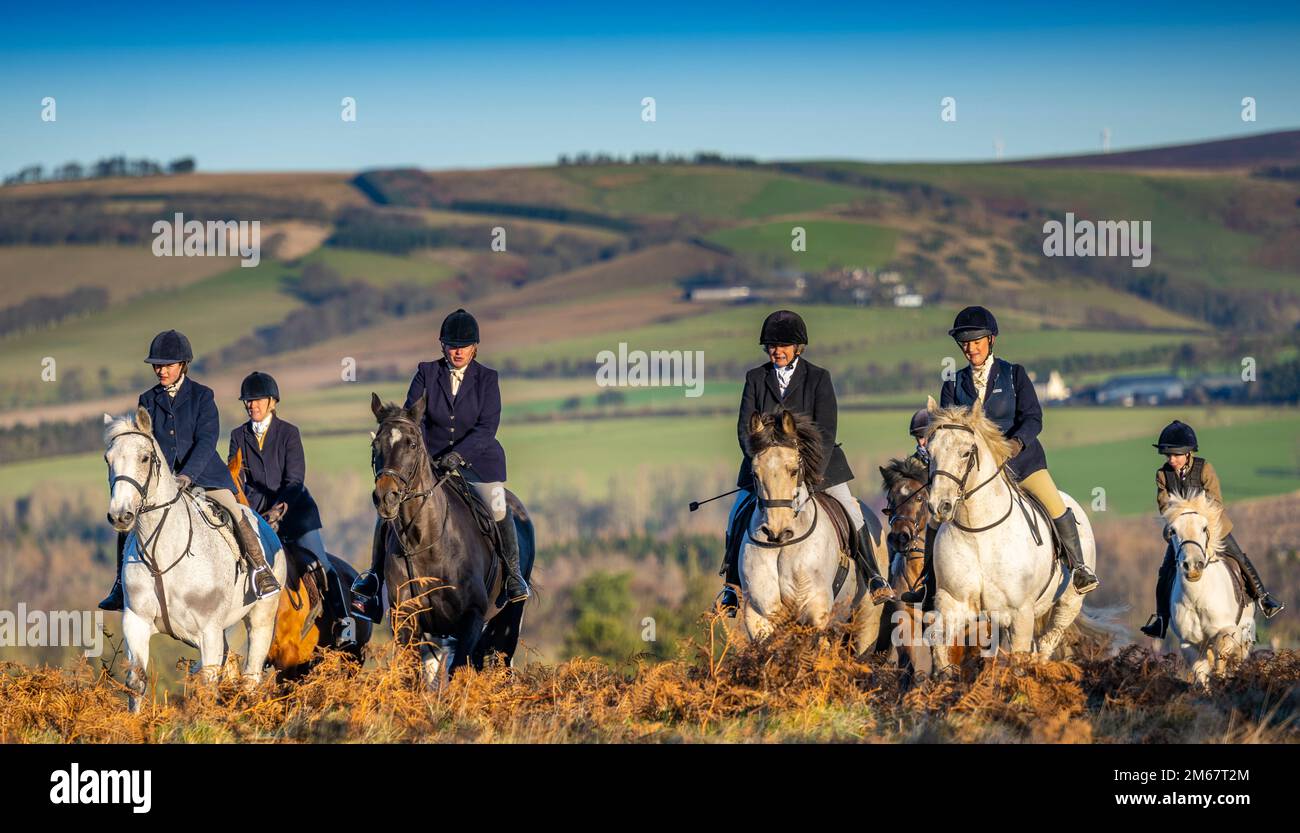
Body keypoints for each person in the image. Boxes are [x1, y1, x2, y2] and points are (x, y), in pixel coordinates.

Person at [901, 305, 1097, 604]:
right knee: (934, 520)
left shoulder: (1014, 375)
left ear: (990, 340)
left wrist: (1016, 444)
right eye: (965, 343)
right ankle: (929, 584)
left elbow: (1033, 417)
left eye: (976, 341)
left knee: (1056, 505)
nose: (970, 348)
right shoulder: (953, 384)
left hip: (1022, 462)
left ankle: (1079, 567)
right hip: (971, 473)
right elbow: (949, 430)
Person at [716, 310, 895, 616]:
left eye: (783, 345)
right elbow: (745, 428)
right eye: (771, 345)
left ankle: (873, 575)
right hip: (768, 470)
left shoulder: (818, 378)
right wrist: (763, 466)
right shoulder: (755, 379)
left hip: (819, 467)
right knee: (737, 512)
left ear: (798, 347)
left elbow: (827, 429)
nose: (777, 350)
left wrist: (810, 472)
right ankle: (731, 586)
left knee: (851, 510)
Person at [351, 309, 528, 617]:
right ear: (442, 346)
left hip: (478, 463)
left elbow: (487, 429)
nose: (457, 351)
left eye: (464, 345)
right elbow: (411, 419)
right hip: (429, 463)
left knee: (498, 506)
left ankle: (512, 575)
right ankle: (375, 577)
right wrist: (422, 456)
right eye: (451, 344)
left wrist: (459, 456)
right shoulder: (426, 373)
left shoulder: (487, 379)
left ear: (475, 347)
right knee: (389, 510)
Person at [99, 330, 279, 611]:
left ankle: (260, 570)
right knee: (129, 523)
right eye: (157, 365)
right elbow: (147, 444)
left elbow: (207, 441)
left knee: (232, 507)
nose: (161, 370)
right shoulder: (147, 399)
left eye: (167, 365)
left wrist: (188, 475)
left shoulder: (203, 396)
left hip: (205, 475)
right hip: (162, 481)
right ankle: (120, 586)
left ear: (183, 364)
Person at [229, 371, 356, 648]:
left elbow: (295, 479)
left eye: (258, 400)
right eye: (248, 401)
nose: (253, 405)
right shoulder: (238, 436)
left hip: (295, 513)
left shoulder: (289, 433)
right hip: (257, 518)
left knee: (322, 565)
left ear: (272, 401)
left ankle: (346, 624)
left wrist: (278, 509)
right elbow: (236, 478)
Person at [1140, 420, 1284, 638]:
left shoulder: (1204, 468)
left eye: (1176, 455)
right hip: (1184, 533)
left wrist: (1198, 517)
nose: (1171, 460)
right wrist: (1181, 521)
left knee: (1239, 558)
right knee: (1165, 571)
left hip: (1212, 527)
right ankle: (1161, 619)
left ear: (1188, 453)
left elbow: (1216, 501)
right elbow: (1164, 505)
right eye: (1168, 455)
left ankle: (1263, 598)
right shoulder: (1162, 475)